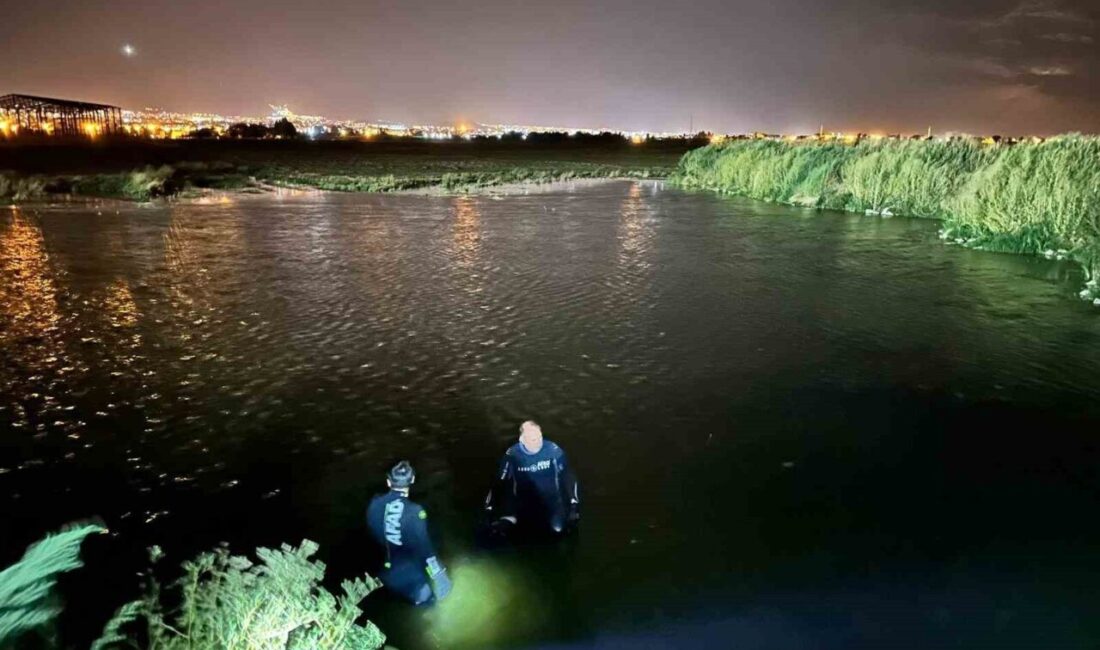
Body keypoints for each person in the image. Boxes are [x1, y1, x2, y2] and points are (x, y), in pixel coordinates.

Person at [367, 461, 451, 605]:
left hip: (383, 574)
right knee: (428, 608)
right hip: (411, 577)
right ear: (412, 479)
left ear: (388, 481)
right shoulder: (415, 512)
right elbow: (426, 551)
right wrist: (440, 576)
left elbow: (375, 532)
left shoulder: (374, 504)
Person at [484, 420, 580, 535]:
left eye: (540, 436)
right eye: (533, 439)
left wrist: (574, 504)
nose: (538, 442)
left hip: (551, 501)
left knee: (559, 530)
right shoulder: (513, 454)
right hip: (523, 502)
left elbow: (568, 477)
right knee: (504, 530)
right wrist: (489, 508)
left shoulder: (553, 451)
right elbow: (500, 482)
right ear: (522, 440)